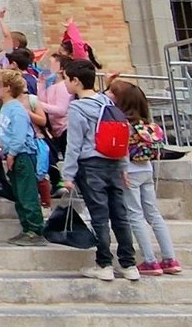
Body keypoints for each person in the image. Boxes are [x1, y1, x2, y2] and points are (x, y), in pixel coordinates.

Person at [62, 59, 139, 282]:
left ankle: (104, 263)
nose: (65, 83)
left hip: (91, 165)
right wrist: (124, 166)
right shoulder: (107, 103)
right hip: (114, 163)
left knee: (99, 216)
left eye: (66, 79)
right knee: (120, 215)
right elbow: (122, 135)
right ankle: (128, 263)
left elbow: (74, 144)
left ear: (76, 81)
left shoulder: (77, 108)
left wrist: (68, 174)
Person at [110, 79, 182, 276]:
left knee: (135, 215)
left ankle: (150, 261)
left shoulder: (123, 124)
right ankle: (170, 258)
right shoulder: (147, 124)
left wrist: (123, 169)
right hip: (146, 169)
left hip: (130, 171)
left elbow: (123, 150)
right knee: (153, 214)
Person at [0, 69, 46, 246]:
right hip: (14, 153)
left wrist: (12, 153)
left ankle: (35, 229)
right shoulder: (7, 108)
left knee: (27, 193)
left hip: (22, 155)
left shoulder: (16, 109)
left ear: (7, 88)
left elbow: (19, 134)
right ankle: (26, 228)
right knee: (19, 193)